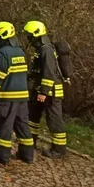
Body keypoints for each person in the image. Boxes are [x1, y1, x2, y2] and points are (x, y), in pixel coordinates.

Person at [0, 21, 34, 165]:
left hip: (6, 97)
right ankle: (27, 155)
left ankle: (2, 156)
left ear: (3, 35)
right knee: (22, 125)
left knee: (4, 126)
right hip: (22, 97)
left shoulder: (3, 53)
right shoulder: (20, 51)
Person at [25, 21, 68, 159]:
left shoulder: (47, 50)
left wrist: (44, 92)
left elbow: (49, 73)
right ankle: (30, 142)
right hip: (41, 89)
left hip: (51, 92)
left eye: (29, 35)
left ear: (36, 35)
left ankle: (59, 149)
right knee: (33, 116)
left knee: (54, 119)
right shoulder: (41, 49)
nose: (28, 38)